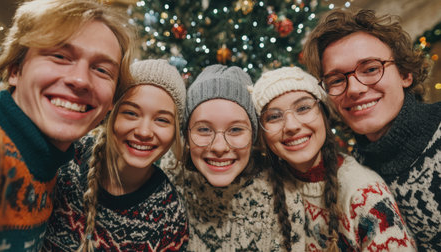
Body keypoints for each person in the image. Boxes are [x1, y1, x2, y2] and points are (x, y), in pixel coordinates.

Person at [0, 0, 135, 251]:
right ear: (15, 70)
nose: (80, 80)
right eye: (59, 56)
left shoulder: (53, 166)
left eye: (102, 70)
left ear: (112, 101)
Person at [302, 9, 441, 250]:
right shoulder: (352, 176)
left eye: (370, 69)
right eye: (336, 80)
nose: (354, 89)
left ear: (405, 73)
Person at [251, 66, 416, 251]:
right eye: (274, 117)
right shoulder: (258, 189)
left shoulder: (365, 194)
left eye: (303, 108)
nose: (291, 125)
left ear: (324, 115)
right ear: (262, 133)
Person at [42, 59, 189, 251]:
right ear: (112, 114)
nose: (144, 132)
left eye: (162, 120)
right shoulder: (68, 158)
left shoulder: (169, 214)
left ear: (174, 133)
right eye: (131, 113)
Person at [161, 64, 305, 251]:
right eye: (204, 129)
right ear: (187, 135)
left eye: (236, 130)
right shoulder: (168, 181)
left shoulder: (284, 196)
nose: (219, 147)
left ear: (253, 136)